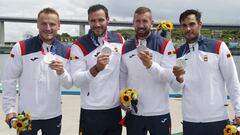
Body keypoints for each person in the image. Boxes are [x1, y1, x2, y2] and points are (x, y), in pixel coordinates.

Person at [1, 7, 72, 135]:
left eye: (52, 24)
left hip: (53, 114)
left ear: (59, 26)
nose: (48, 28)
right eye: (44, 23)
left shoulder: (65, 51)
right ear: (37, 25)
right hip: (26, 115)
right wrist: (9, 109)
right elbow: (9, 80)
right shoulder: (21, 47)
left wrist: (62, 72)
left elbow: (68, 84)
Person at [175, 9, 240, 135]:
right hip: (190, 120)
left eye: (192, 24)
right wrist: (178, 79)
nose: (188, 28)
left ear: (200, 24)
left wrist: (238, 111)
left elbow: (232, 81)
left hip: (217, 119)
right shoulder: (179, 53)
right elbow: (177, 87)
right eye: (184, 25)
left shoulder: (218, 47)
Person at [120, 6, 184, 135]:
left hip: (159, 113)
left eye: (145, 21)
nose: (141, 25)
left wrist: (150, 65)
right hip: (134, 113)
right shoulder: (126, 46)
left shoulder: (165, 44)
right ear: (133, 23)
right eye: (138, 21)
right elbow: (122, 75)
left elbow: (169, 76)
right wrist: (121, 96)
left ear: (151, 22)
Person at [70, 4, 124, 135]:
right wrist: (96, 68)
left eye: (100, 20)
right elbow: (77, 80)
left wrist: (124, 95)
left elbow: (123, 72)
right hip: (91, 111)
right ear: (88, 21)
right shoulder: (79, 45)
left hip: (114, 109)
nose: (97, 24)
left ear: (108, 20)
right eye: (93, 21)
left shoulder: (118, 39)